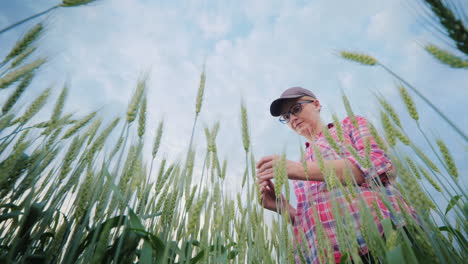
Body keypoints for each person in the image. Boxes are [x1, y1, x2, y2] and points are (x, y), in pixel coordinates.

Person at [256, 87, 417, 264]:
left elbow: (379, 165)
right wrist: (283, 208)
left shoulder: (350, 125)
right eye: (286, 117)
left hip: (384, 238)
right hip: (334, 258)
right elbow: (311, 222)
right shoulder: (300, 162)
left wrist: (300, 170)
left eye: (296, 109)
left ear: (316, 104)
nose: (292, 118)